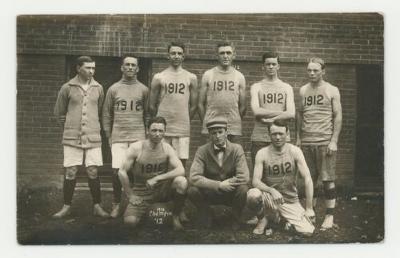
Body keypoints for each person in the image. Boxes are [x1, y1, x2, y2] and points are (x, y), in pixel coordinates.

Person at [53, 56, 109, 218]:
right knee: (71, 171)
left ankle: (97, 206)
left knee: (92, 171)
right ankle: (66, 206)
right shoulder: (67, 87)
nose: (91, 71)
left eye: (93, 68)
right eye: (87, 68)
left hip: (93, 137)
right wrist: (70, 128)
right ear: (78, 68)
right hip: (72, 137)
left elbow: (99, 110)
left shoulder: (98, 88)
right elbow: (59, 113)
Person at [296, 57, 342, 230]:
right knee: (309, 179)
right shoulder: (303, 90)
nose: (312, 73)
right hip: (307, 141)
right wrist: (299, 138)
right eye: (309, 70)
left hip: (325, 142)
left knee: (328, 180)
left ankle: (329, 217)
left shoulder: (331, 90)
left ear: (323, 71)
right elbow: (300, 115)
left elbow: (338, 116)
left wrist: (334, 141)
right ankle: (311, 213)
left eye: (315, 70)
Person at [118, 116, 187, 230]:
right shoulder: (136, 148)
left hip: (161, 192)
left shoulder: (167, 148)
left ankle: (175, 217)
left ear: (165, 132)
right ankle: (149, 214)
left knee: (181, 181)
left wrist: (158, 178)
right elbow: (122, 172)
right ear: (147, 131)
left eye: (161, 131)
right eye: (154, 130)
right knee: (130, 223)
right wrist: (130, 194)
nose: (157, 134)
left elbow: (181, 170)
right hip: (141, 193)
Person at [246, 121, 315, 236]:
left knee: (308, 231)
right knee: (252, 195)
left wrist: (309, 208)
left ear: (287, 134)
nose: (277, 137)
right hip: (269, 198)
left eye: (281, 133)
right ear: (269, 135)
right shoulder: (262, 153)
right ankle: (263, 219)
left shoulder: (295, 151)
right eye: (274, 134)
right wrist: (272, 190)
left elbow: (307, 178)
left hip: (289, 200)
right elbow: (255, 181)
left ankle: (277, 220)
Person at [102, 54, 149, 218]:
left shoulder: (143, 89)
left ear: (138, 69)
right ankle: (116, 204)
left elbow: (148, 114)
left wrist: (147, 135)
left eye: (133, 65)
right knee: (117, 171)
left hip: (138, 136)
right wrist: (109, 135)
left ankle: (135, 204)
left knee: (137, 172)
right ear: (122, 68)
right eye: (127, 65)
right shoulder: (113, 89)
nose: (130, 67)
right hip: (119, 136)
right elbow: (106, 114)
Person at [188, 117, 250, 229]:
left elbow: (244, 176)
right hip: (211, 192)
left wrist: (228, 184)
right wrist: (219, 185)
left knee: (243, 189)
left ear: (226, 132)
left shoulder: (237, 149)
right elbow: (193, 177)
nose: (217, 136)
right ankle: (206, 214)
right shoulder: (202, 150)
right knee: (193, 190)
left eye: (220, 132)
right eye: (213, 133)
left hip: (231, 192)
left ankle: (235, 218)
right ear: (209, 135)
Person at [149, 42, 198, 168]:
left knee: (180, 163)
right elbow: (151, 105)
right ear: (168, 56)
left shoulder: (191, 77)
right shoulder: (159, 77)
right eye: (173, 53)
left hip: (182, 127)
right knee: (161, 160)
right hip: (163, 127)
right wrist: (159, 121)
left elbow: (193, 105)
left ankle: (177, 187)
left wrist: (185, 119)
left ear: (183, 56)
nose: (176, 56)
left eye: (179, 53)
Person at [250, 51, 295, 168]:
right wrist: (282, 114)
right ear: (263, 67)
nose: (271, 67)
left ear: (278, 66)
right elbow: (256, 111)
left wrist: (271, 120)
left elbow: (291, 113)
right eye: (268, 64)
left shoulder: (286, 87)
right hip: (260, 136)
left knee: (281, 170)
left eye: (273, 64)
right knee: (259, 172)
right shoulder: (256, 87)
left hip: (281, 135)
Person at [198, 42, 247, 143]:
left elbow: (243, 106)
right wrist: (207, 121)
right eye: (222, 53)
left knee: (233, 157)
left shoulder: (239, 76)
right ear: (217, 56)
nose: (225, 56)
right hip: (211, 126)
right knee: (211, 157)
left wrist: (234, 119)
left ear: (234, 55)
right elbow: (200, 104)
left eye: (228, 53)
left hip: (233, 127)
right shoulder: (208, 74)